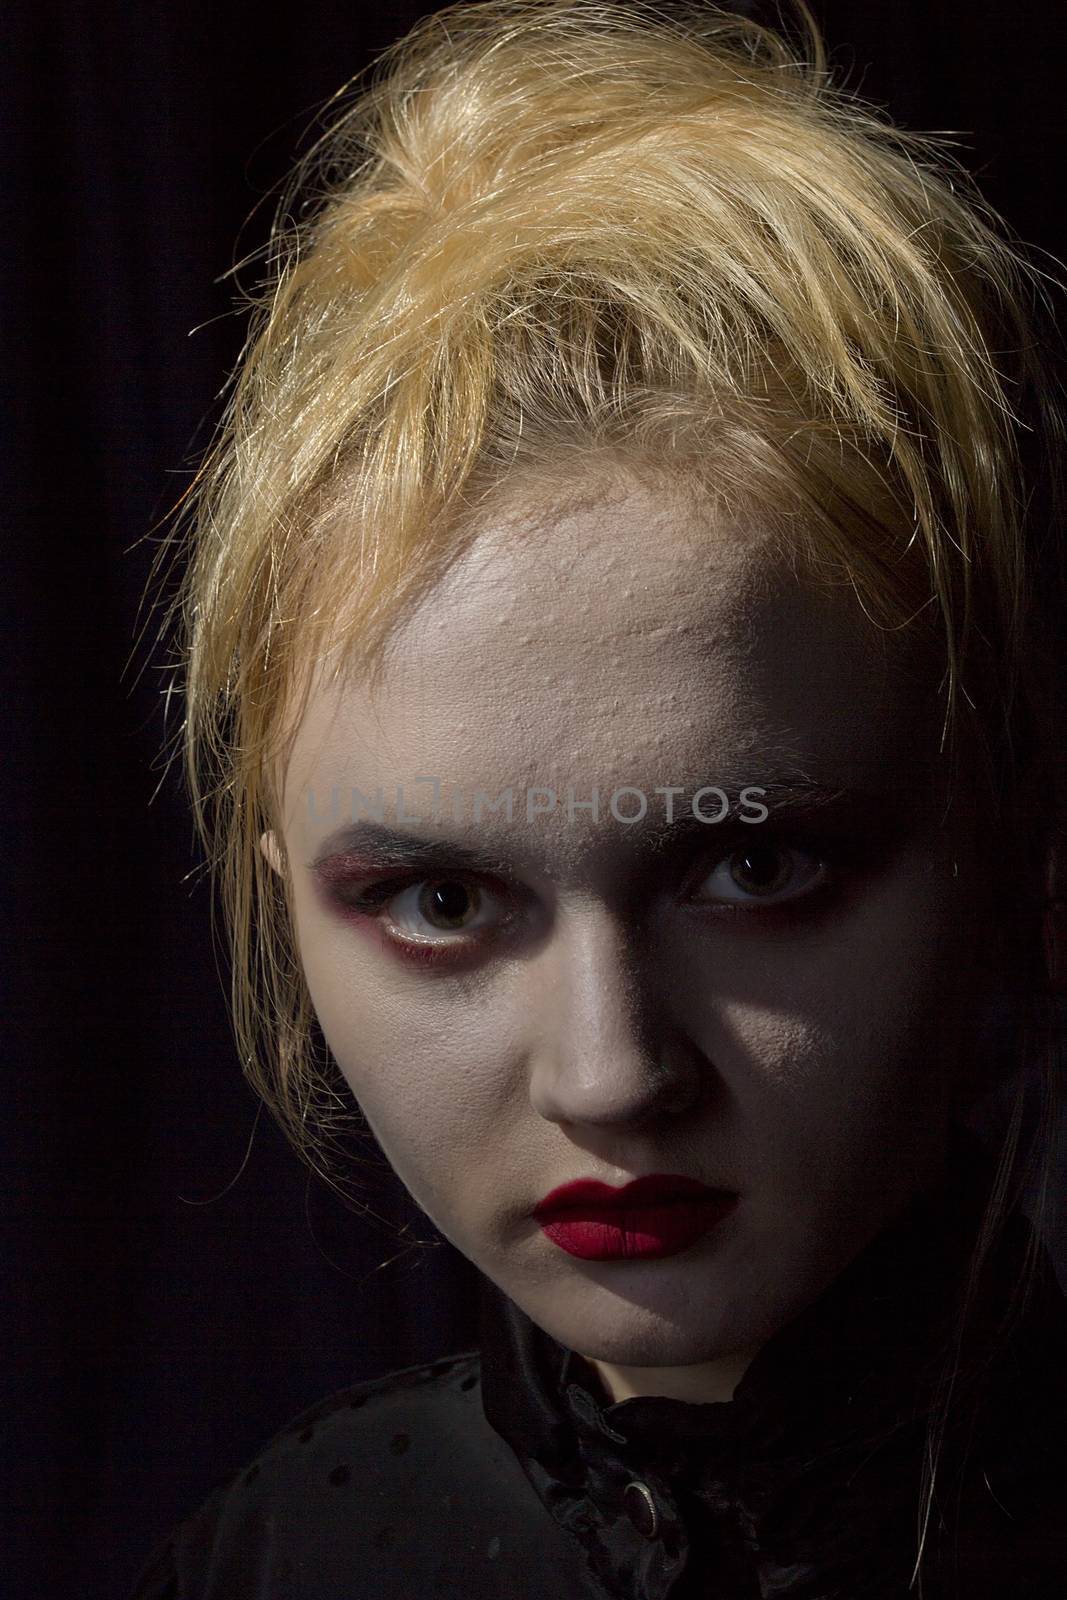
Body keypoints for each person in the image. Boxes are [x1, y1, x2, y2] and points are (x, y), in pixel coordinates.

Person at [131, 1, 1067, 1595]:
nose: (611, 1076)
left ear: (1010, 845)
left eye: (755, 865)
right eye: (439, 901)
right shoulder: (282, 1557)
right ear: (282, 901)